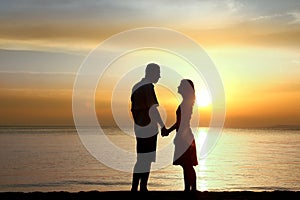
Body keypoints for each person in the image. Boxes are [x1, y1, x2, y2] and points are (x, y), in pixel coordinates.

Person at [130, 63, 167, 192]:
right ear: (151, 73)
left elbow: (134, 109)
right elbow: (153, 110)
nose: (159, 76)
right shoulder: (148, 87)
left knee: (141, 158)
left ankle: (135, 187)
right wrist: (163, 126)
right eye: (158, 73)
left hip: (139, 127)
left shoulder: (136, 86)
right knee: (146, 159)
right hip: (148, 128)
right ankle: (143, 187)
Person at [162, 79, 198, 192]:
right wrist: (170, 131)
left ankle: (192, 189)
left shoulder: (186, 104)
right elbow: (180, 122)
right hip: (184, 135)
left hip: (184, 136)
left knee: (187, 164)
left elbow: (181, 123)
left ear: (185, 89)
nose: (178, 87)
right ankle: (188, 188)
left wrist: (170, 132)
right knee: (185, 164)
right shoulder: (186, 102)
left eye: (181, 85)